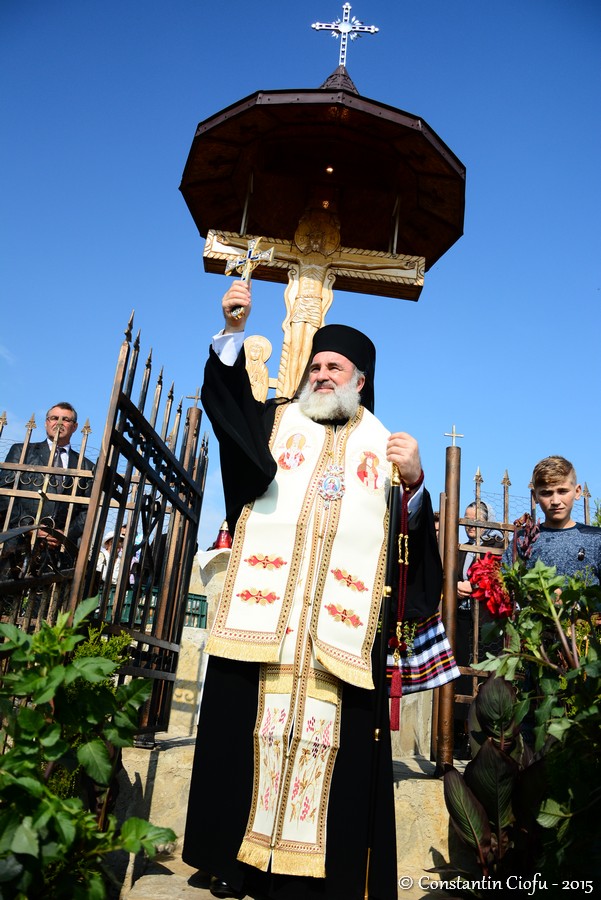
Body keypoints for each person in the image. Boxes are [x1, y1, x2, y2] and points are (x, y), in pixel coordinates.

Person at [182, 280, 455, 900]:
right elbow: (228, 412)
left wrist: (415, 485)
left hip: (338, 645)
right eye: (317, 365)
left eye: (336, 367)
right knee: (247, 741)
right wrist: (231, 334)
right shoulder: (277, 423)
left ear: (362, 379)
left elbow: (412, 559)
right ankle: (238, 864)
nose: (323, 374)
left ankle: (320, 877)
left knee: (334, 756)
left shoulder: (387, 451)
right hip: (266, 631)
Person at [0, 402, 95, 556]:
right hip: (17, 543)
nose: (59, 423)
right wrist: (29, 527)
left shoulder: (86, 466)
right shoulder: (22, 451)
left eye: (65, 419)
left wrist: (65, 534)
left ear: (75, 427)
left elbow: (88, 509)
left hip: (59, 551)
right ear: (46, 423)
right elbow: (4, 493)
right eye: (54, 418)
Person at [454, 501, 504, 757]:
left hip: (485, 621)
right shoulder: (461, 548)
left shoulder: (495, 545)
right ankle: (460, 735)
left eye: (475, 520)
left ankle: (486, 738)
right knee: (462, 675)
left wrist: (473, 588)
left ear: (486, 521)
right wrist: (455, 587)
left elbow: (497, 579)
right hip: (462, 618)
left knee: (484, 676)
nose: (470, 525)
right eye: (466, 519)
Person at [503, 455, 601, 582]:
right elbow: (504, 582)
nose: (555, 501)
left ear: (577, 492)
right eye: (546, 493)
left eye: (562, 491)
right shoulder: (523, 540)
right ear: (535, 496)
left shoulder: (595, 539)